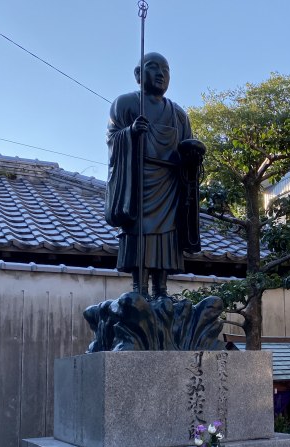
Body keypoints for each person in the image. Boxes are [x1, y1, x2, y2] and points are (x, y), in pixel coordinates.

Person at [105, 52, 203, 298]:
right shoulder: (126, 104)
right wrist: (130, 133)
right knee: (138, 233)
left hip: (170, 183)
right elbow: (112, 137)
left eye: (166, 70)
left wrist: (192, 157)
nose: (161, 74)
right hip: (138, 181)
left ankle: (161, 289)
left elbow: (185, 148)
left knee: (168, 237)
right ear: (139, 74)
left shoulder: (179, 114)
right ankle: (139, 288)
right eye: (153, 67)